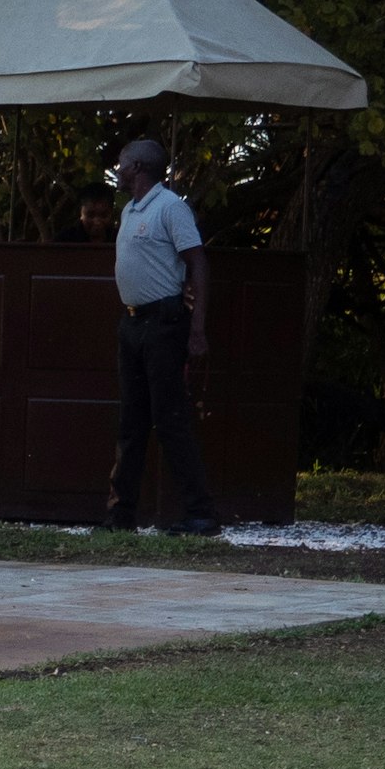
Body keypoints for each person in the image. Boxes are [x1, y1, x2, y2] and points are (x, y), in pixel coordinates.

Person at [105, 137, 218, 535]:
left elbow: (197, 263)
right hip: (132, 324)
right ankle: (121, 515)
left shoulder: (170, 207)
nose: (116, 169)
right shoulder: (129, 210)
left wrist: (198, 328)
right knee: (131, 421)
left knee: (170, 420)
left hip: (164, 324)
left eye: (120, 162)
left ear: (136, 167)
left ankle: (200, 514)